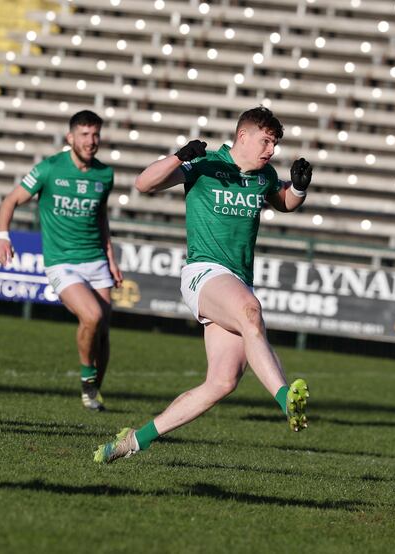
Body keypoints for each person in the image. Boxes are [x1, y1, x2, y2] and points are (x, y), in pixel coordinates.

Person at [94, 106, 313, 464]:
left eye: (274, 143)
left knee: (223, 382)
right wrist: (179, 157)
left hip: (235, 280)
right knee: (250, 313)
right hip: (203, 272)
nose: (271, 149)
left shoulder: (264, 175)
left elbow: (283, 202)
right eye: (266, 140)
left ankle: (134, 440)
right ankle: (285, 397)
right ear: (243, 136)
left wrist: (300, 188)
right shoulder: (206, 163)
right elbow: (144, 183)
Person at [0, 110, 123, 411]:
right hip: (62, 261)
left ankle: (94, 393)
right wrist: (3, 235)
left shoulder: (105, 174)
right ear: (70, 138)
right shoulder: (50, 168)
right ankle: (86, 381)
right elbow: (10, 200)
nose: (91, 141)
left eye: (95, 135)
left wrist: (111, 259)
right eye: (84, 134)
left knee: (103, 330)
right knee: (91, 316)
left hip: (96, 260)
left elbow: (101, 218)